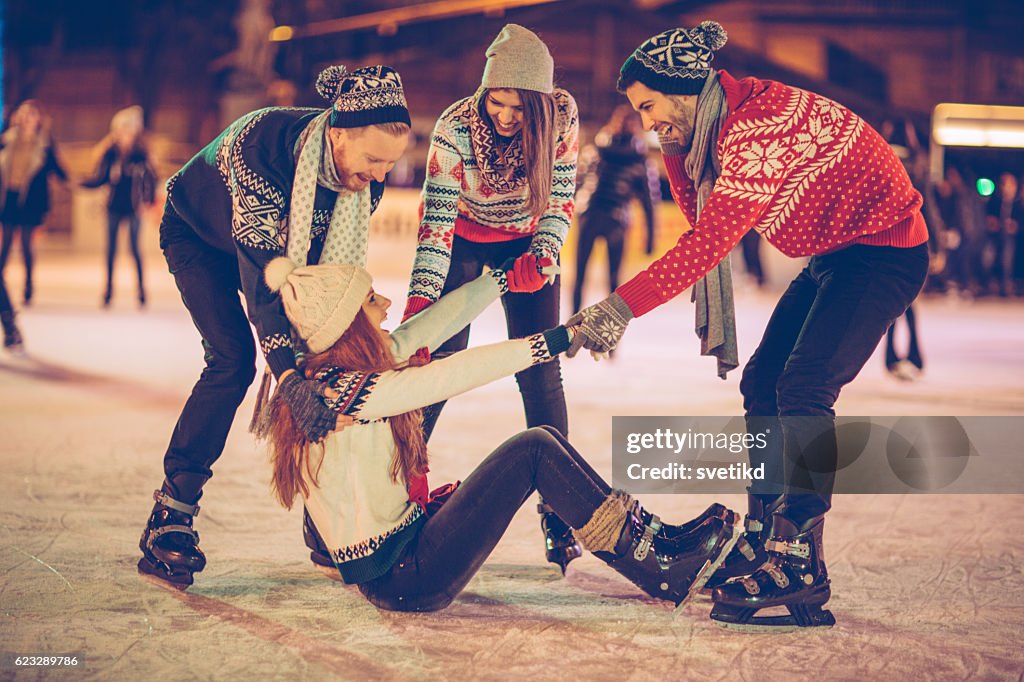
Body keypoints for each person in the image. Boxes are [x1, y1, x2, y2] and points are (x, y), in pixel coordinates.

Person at [568, 22, 929, 630]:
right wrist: (678, 151)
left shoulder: (756, 129)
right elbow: (697, 214)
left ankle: (801, 556)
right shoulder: (710, 126)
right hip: (834, 255)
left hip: (883, 253)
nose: (649, 122)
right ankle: (764, 530)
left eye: (651, 107)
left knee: (806, 386)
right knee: (764, 382)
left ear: (683, 90)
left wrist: (619, 307)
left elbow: (708, 242)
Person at [263, 255, 738, 612]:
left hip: (408, 552)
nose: (385, 303)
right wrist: (555, 339)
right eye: (371, 301)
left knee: (540, 442)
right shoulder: (343, 393)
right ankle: (657, 564)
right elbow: (455, 374)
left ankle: (656, 543)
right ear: (346, 325)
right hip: (406, 576)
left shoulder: (332, 376)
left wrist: (501, 279)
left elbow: (429, 325)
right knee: (535, 448)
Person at [138, 65, 412, 590]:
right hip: (197, 234)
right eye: (374, 160)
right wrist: (286, 375)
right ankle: (171, 515)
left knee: (327, 364)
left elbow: (324, 286)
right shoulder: (261, 149)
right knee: (233, 360)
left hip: (272, 257)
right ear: (337, 133)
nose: (379, 176)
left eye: (390, 164)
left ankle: (326, 521)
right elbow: (267, 286)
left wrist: (327, 353)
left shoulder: (360, 184)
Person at [399, 24, 582, 571]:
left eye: (518, 107)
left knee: (539, 366)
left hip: (526, 242)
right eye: (496, 102)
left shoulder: (563, 118)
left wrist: (543, 255)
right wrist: (421, 308)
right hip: (460, 243)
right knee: (439, 364)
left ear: (540, 103)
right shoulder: (455, 126)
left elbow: (561, 194)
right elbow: (435, 223)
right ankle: (399, 487)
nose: (505, 116)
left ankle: (560, 507)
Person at [572, 104, 659, 315]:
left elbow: (576, 185)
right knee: (613, 281)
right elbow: (649, 202)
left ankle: (568, 327)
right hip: (617, 220)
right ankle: (610, 336)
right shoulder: (641, 161)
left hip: (588, 214)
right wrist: (650, 239)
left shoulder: (595, 151)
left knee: (580, 276)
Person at [82, 106, 157, 307]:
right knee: (111, 250)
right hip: (113, 207)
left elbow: (152, 179)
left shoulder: (141, 154)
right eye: (121, 129)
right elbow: (101, 178)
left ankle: (141, 291)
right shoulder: (110, 153)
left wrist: (147, 202)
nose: (124, 133)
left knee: (135, 249)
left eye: (128, 129)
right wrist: (80, 183)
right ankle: (108, 291)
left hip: (134, 208)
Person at [0, 100, 68, 306]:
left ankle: (28, 286)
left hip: (31, 200)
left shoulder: (45, 144)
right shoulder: (7, 140)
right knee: (6, 243)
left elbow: (56, 168)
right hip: (9, 197)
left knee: (27, 244)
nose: (27, 118)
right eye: (24, 114)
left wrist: (74, 182)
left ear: (38, 119)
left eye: (32, 114)